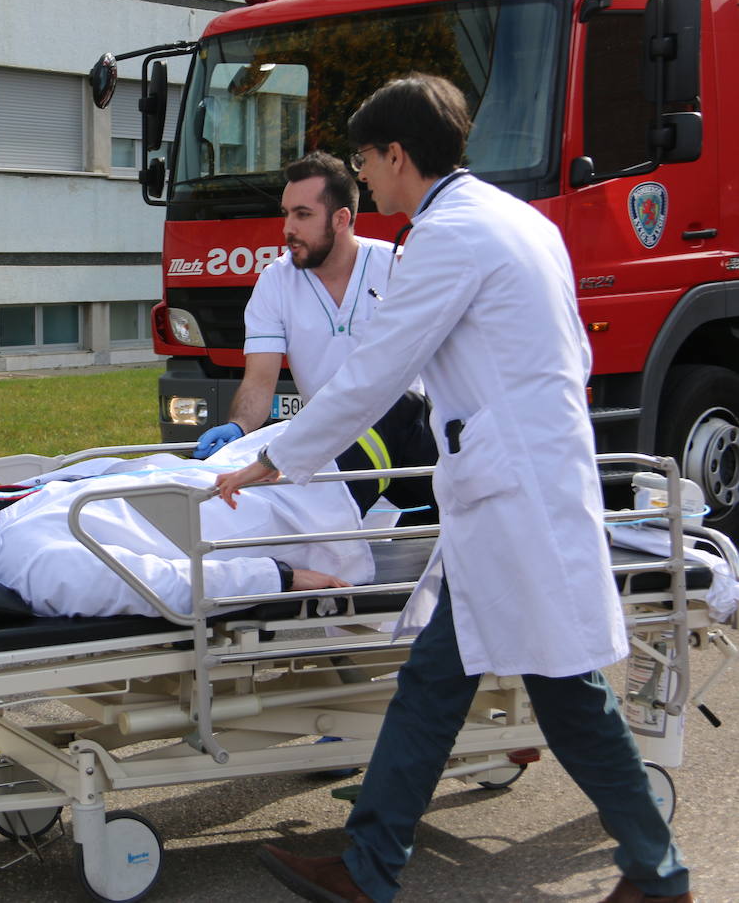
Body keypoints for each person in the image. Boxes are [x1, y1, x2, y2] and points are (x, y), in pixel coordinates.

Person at [216, 75, 690, 903]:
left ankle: (657, 872)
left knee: (565, 688)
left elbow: (378, 367)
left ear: (397, 156)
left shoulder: (448, 236)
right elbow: (569, 354)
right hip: (518, 480)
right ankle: (370, 866)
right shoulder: (516, 219)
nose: (363, 178)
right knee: (440, 684)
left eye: (364, 162)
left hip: (514, 495)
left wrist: (280, 457)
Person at [0, 393, 435, 619]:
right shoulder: (38, 564)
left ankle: (434, 509)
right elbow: (165, 585)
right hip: (263, 514)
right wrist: (282, 576)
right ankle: (469, 518)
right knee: (400, 418)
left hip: (224, 479)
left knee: (383, 427)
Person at [193, 151, 398, 461]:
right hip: (327, 450)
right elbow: (260, 380)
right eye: (286, 213)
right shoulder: (276, 280)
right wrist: (239, 427)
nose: (288, 228)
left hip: (406, 448)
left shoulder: (401, 268)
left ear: (341, 219)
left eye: (303, 215)